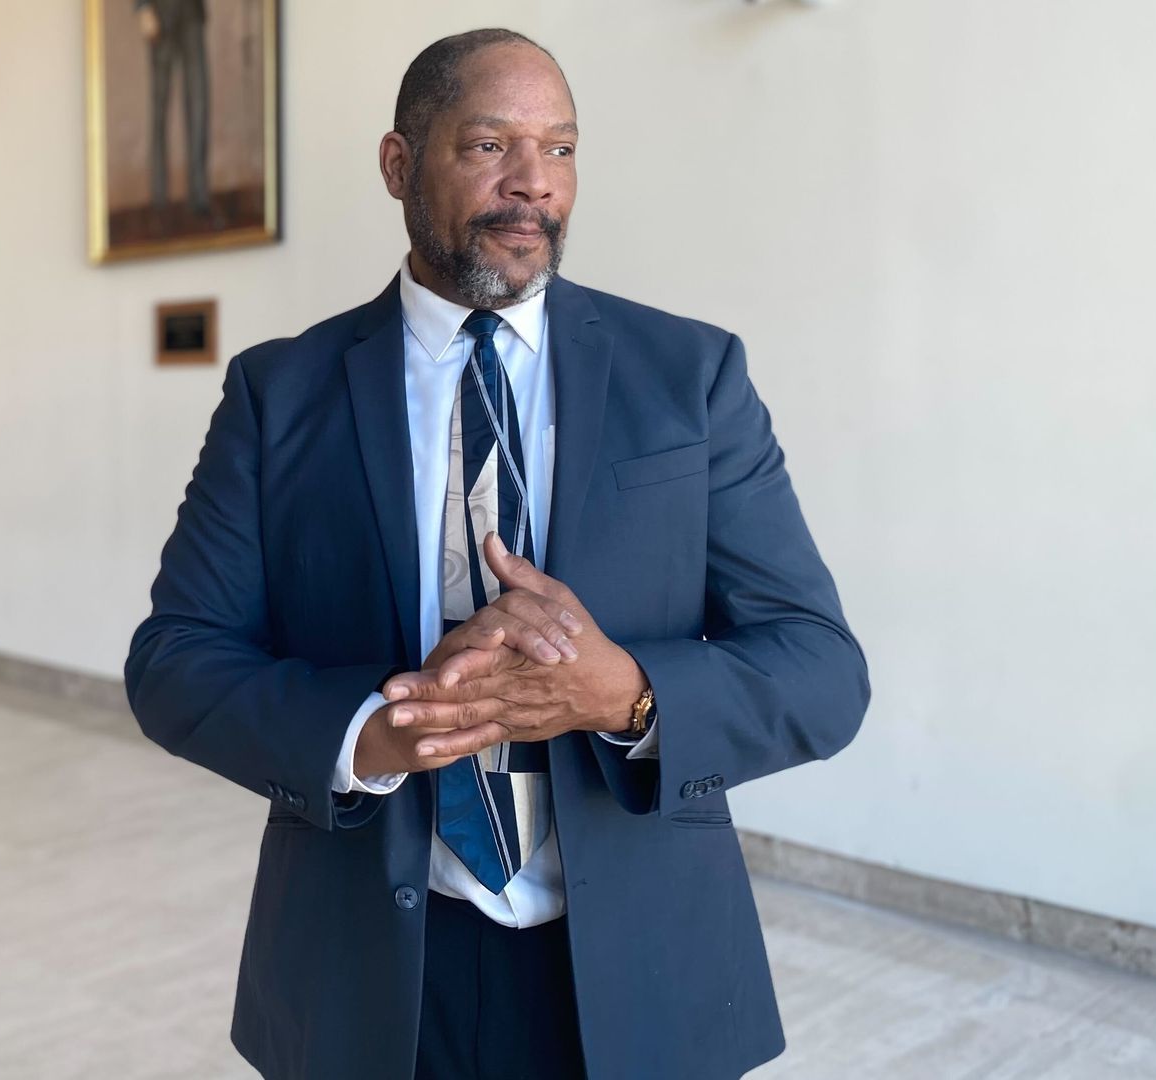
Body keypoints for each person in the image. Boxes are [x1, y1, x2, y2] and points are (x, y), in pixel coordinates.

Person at [124, 28, 871, 1080]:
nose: (533, 184)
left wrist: (628, 697)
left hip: (640, 968)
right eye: (489, 145)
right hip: (369, 971)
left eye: (560, 151)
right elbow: (176, 663)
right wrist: (375, 736)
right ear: (399, 164)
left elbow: (823, 670)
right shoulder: (277, 393)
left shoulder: (690, 378)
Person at [136, 0, 212, 218]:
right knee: (160, 109)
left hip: (192, 13)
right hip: (160, 15)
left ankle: (199, 195)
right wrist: (142, 8)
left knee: (198, 102)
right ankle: (159, 198)